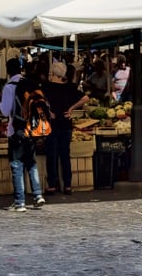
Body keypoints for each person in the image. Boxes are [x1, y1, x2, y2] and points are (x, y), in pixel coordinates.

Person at [0, 57, 46, 212]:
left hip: (17, 129)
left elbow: (5, 110)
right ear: (20, 69)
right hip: (32, 129)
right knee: (31, 162)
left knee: (17, 164)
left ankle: (20, 202)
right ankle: (38, 195)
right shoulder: (30, 83)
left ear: (8, 71)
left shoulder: (9, 87)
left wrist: (0, 103)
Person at [42, 61, 90, 195]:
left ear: (54, 74)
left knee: (52, 156)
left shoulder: (46, 86)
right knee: (65, 155)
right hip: (66, 125)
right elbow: (85, 98)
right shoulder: (70, 87)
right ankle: (67, 185)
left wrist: (48, 111)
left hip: (52, 125)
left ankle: (52, 185)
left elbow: (38, 99)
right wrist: (71, 109)